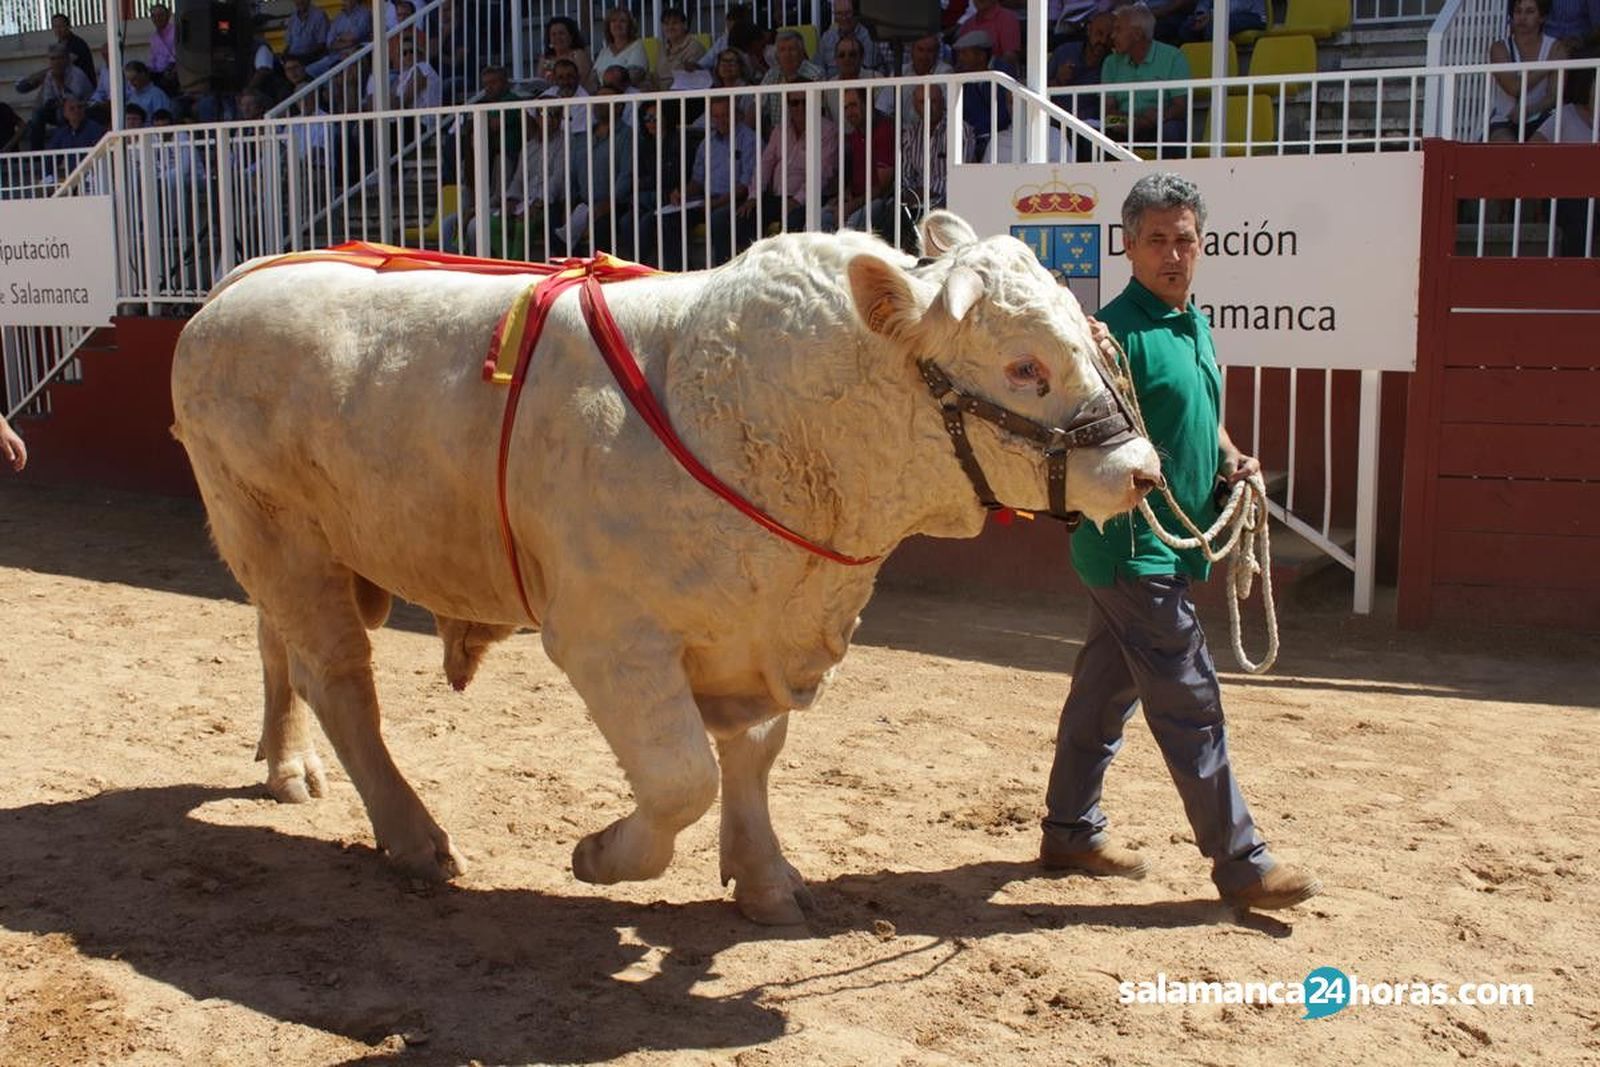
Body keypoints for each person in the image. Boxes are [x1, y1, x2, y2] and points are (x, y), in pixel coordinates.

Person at [1039, 172, 1321, 913]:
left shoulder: (1191, 322)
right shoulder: (1112, 336)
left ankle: (1069, 828)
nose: (1173, 253)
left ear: (1201, 245)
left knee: (1103, 691)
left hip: (1161, 548)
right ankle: (1241, 861)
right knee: (1189, 694)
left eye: (1184, 239)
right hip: (1132, 548)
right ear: (1128, 246)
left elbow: (1202, 417)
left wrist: (1230, 458)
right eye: (1157, 240)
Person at [658, 94, 759, 269]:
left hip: (736, 199)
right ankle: (679, 273)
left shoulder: (750, 140)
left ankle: (724, 273)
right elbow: (697, 181)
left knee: (718, 218)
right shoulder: (707, 142)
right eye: (716, 116)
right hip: (708, 199)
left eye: (726, 115)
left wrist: (715, 203)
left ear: (738, 114)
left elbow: (744, 186)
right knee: (670, 217)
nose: (721, 120)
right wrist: (682, 192)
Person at [1102, 2, 1191, 155]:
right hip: (1124, 125)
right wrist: (1128, 122)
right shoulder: (1111, 62)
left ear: (1137, 34)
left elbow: (1180, 107)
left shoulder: (1173, 57)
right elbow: (1107, 111)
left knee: (1171, 130)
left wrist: (1147, 121)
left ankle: (1170, 178)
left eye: (1118, 30)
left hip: (1158, 123)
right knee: (1092, 134)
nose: (1112, 35)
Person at [749, 86, 838, 237]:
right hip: (779, 197)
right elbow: (765, 164)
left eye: (805, 101)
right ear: (788, 105)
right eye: (795, 103)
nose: (800, 107)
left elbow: (823, 173)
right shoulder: (780, 130)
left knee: (794, 220)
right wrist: (754, 196)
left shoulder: (828, 131)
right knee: (744, 216)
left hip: (812, 198)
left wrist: (797, 200)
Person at [1489, 0, 1569, 142]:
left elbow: (1554, 95)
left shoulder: (1555, 47)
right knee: (1505, 148)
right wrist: (1549, 65)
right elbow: (1514, 88)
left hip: (1541, 116)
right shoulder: (1500, 48)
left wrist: (1529, 111)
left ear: (1542, 17)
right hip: (1504, 118)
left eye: (1530, 11)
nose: (1522, 17)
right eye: (1518, 11)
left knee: (1538, 148)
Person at [17, 43, 93, 149]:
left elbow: (73, 100)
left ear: (66, 59)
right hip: (60, 108)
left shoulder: (77, 74)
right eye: (53, 59)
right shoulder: (50, 75)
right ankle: (36, 154)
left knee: (65, 112)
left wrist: (60, 83)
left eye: (59, 58)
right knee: (38, 113)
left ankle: (65, 147)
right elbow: (48, 100)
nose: (56, 62)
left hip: (82, 110)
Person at [818, 0, 881, 77]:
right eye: (839, 14)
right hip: (831, 86)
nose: (844, 18)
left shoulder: (869, 36)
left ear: (856, 14)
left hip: (860, 84)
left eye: (847, 13)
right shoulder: (827, 38)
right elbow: (817, 69)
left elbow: (866, 70)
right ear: (834, 15)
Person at [591, 7, 648, 91]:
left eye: (622, 21)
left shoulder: (637, 46)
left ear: (630, 26)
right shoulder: (604, 51)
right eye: (613, 21)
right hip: (604, 96)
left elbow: (634, 76)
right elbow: (593, 79)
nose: (617, 24)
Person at [651, 6, 707, 89]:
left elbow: (691, 79)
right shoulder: (662, 48)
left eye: (675, 23)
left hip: (683, 95)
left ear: (684, 25)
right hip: (660, 94)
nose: (670, 27)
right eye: (666, 24)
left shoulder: (694, 47)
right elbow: (656, 76)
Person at [538, 16, 593, 88]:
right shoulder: (546, 59)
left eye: (561, 33)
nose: (557, 37)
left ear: (571, 36)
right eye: (553, 34)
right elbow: (540, 83)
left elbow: (581, 82)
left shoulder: (578, 55)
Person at [284, 0, 331, 66]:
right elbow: (288, 44)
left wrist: (304, 57)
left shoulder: (319, 16)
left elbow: (322, 44)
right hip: (293, 58)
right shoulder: (293, 18)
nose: (300, 1)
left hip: (310, 58)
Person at [146, 3, 180, 94]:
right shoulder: (153, 38)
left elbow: (175, 58)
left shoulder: (176, 32)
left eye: (160, 15)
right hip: (157, 74)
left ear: (168, 15)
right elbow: (152, 60)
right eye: (154, 16)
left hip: (172, 73)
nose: (157, 18)